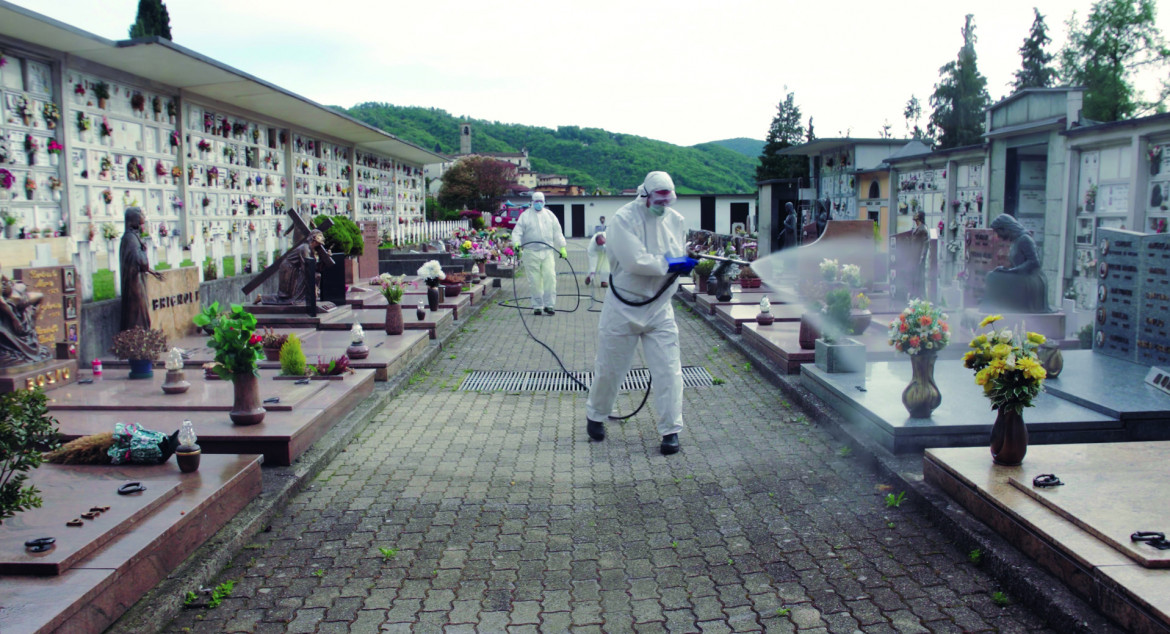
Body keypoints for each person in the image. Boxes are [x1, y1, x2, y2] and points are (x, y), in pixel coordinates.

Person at [585, 171, 697, 455]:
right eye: (658, 201)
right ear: (644, 195)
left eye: (667, 201)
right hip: (623, 305)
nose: (663, 206)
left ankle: (671, 430)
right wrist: (670, 264)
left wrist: (681, 264)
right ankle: (596, 415)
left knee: (669, 369)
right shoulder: (623, 219)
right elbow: (634, 261)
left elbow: (675, 253)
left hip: (659, 308)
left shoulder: (676, 221)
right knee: (610, 367)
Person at [511, 192, 567, 316]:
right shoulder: (525, 216)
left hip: (547, 252)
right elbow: (517, 232)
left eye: (541, 201)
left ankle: (549, 305)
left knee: (550, 278)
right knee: (535, 280)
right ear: (532, 202)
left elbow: (557, 231)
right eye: (536, 201)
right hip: (531, 252)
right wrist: (516, 243)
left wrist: (562, 246)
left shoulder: (550, 215)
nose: (538, 203)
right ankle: (537, 306)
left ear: (544, 201)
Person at [983, 214, 1049, 312]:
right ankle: (993, 305)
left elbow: (1034, 262)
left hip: (1032, 279)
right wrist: (1006, 270)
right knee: (995, 274)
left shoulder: (1025, 239)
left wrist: (1012, 271)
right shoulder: (1017, 241)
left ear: (1006, 229)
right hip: (1022, 276)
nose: (999, 236)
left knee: (993, 277)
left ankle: (991, 306)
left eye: (999, 232)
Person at [119, 207, 164, 331]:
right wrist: (144, 250)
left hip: (136, 281)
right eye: (140, 222)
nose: (142, 225)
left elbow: (140, 263)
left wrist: (152, 271)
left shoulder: (131, 237)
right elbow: (142, 261)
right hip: (135, 284)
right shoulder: (130, 239)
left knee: (140, 312)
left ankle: (140, 339)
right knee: (138, 313)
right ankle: (138, 339)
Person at [264, 228, 326, 305]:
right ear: (314, 238)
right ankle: (262, 298)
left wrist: (323, 260)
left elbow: (312, 266)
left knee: (290, 296)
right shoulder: (304, 248)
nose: (320, 242)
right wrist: (313, 284)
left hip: (293, 269)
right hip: (288, 268)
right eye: (319, 238)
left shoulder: (310, 249)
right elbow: (306, 267)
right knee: (286, 296)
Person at [907, 211, 929, 299]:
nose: (915, 221)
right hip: (914, 256)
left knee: (918, 277)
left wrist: (922, 257)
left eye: (916, 219)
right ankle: (914, 294)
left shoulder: (923, 229)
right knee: (913, 276)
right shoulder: (918, 228)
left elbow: (925, 244)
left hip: (918, 257)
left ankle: (918, 295)